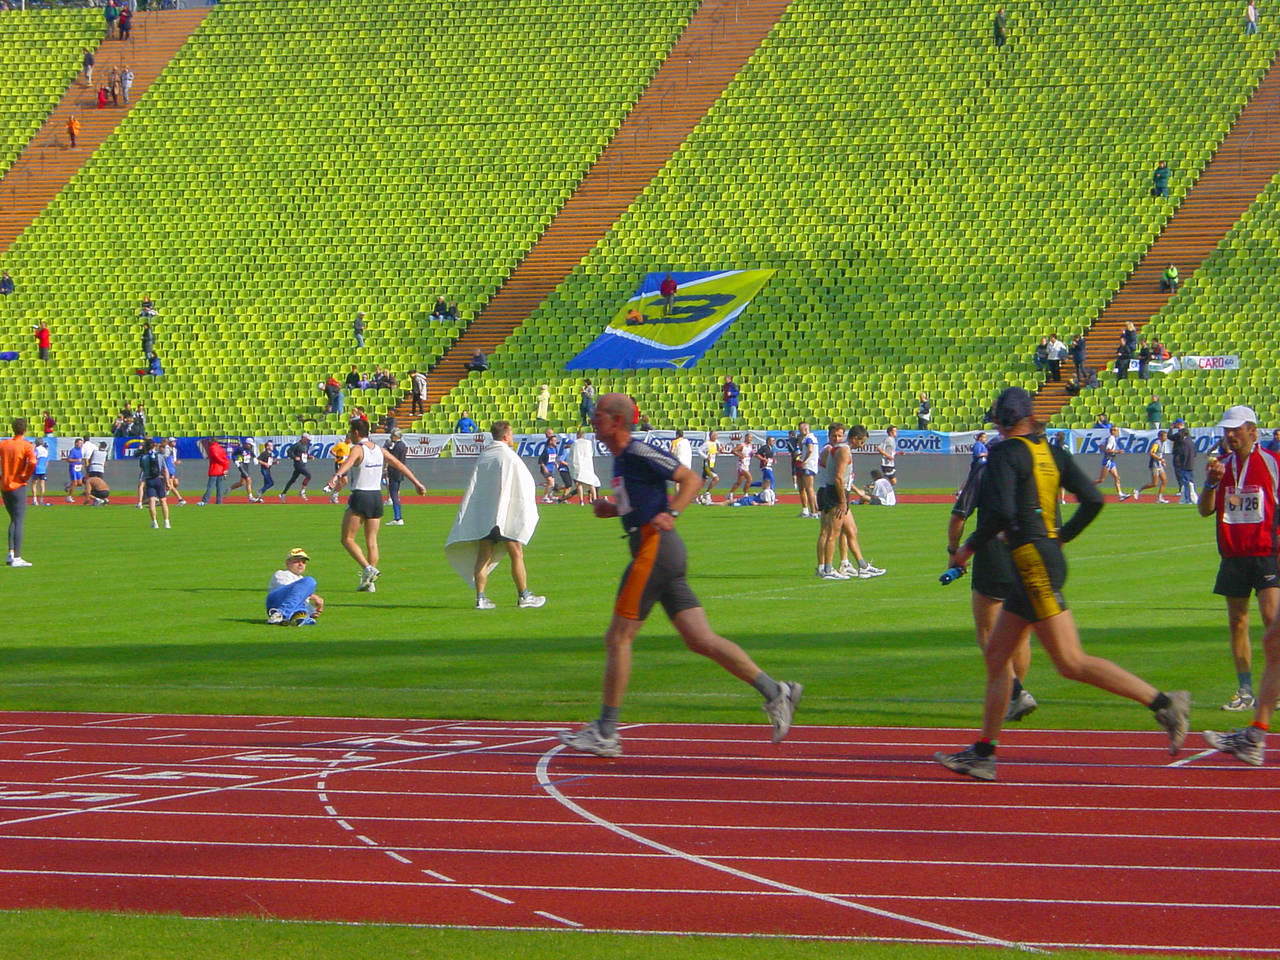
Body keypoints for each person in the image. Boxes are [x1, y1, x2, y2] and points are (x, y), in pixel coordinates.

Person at [934, 387, 1190, 781]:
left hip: (1032, 564)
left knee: (1070, 662)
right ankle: (983, 752)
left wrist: (965, 550)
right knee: (997, 657)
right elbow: (1093, 500)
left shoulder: (1004, 453)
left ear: (1002, 421)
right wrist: (1061, 537)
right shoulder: (1051, 451)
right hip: (1039, 559)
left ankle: (1165, 702)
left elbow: (998, 512)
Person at [558, 393, 802, 757]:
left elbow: (689, 479)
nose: (592, 420)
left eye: (599, 415)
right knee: (699, 638)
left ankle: (606, 731)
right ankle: (776, 691)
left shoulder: (638, 452)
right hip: (658, 551)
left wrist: (672, 512)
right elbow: (641, 501)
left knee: (618, 638)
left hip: (655, 549)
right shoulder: (622, 459)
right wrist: (615, 509)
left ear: (618, 421)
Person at [947, 422, 1037, 723]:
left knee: (989, 633)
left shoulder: (985, 470)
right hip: (1030, 554)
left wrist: (953, 552)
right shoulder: (1034, 469)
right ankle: (1014, 695)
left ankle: (1014, 691)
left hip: (993, 553)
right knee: (1021, 631)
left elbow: (960, 515)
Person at [1195, 406, 1280, 714]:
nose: (1230, 435)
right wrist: (1211, 483)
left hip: (1266, 553)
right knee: (1237, 622)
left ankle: (1276, 686)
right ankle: (1245, 690)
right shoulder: (1221, 466)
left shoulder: (1273, 463)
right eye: (1226, 430)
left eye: (1236, 429)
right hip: (1233, 555)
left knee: (1273, 622)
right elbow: (1205, 510)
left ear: (1252, 430)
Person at [445, 420, 546, 610]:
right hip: (506, 513)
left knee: (483, 555)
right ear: (506, 435)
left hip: (486, 514)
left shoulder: (485, 456)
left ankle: (480, 598)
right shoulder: (509, 457)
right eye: (512, 434)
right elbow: (524, 484)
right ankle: (523, 595)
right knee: (516, 553)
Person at [329, 420, 426, 593]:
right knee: (371, 541)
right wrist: (417, 483)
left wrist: (336, 476)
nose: (350, 434)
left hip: (361, 495)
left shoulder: (358, 449)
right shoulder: (379, 450)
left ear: (357, 432)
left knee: (347, 539)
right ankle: (369, 583)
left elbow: (348, 463)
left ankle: (368, 568)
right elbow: (400, 465)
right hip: (376, 496)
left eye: (351, 431)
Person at [0, 418, 38, 567]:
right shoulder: (26, 446)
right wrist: (26, 475)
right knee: (19, 520)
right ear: (25, 429)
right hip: (18, 485)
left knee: (13, 519)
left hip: (5, 485)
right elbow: (33, 462)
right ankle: (17, 556)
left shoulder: (4, 444)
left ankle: (11, 552)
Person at [266, 548, 324, 626]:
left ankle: (292, 618)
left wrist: (313, 611)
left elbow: (298, 599)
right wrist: (314, 596)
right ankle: (280, 614)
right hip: (277, 602)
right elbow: (291, 592)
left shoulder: (302, 580)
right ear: (287, 562)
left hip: (293, 606)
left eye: (303, 562)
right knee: (310, 581)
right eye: (297, 561)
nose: (301, 564)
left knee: (308, 618)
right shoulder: (281, 574)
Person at [137, 439, 171, 530]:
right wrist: (167, 482)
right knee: (163, 501)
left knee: (152, 501)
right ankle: (166, 522)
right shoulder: (160, 456)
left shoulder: (143, 457)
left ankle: (154, 522)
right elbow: (165, 470)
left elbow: (143, 469)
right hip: (159, 479)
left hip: (149, 480)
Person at [566, 428, 600, 505]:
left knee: (579, 484)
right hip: (588, 465)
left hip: (579, 465)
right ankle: (594, 500)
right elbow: (590, 453)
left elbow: (573, 454)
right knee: (591, 483)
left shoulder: (575, 443)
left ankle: (581, 501)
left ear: (577, 435)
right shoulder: (588, 443)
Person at [1095, 424, 1129, 501]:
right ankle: (1086, 487)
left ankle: (1120, 495)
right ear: (1113, 431)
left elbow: (1100, 445)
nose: (1118, 432)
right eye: (1116, 430)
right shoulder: (1111, 438)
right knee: (1101, 480)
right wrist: (1118, 451)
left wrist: (1104, 449)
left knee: (1117, 477)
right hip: (1108, 460)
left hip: (1111, 460)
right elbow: (1108, 450)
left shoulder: (1110, 438)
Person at [1134, 430, 1170, 503]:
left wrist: (1162, 461)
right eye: (1164, 436)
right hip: (1154, 465)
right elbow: (1151, 453)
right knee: (1154, 483)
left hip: (1159, 464)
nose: (1166, 438)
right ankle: (1138, 490)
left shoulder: (1163, 443)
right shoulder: (1157, 443)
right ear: (1160, 437)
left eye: (1166, 436)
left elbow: (1160, 454)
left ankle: (1159, 498)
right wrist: (1160, 459)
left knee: (1164, 480)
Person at [383, 429, 409, 525]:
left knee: (394, 495)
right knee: (395, 494)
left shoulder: (398, 446)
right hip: (398, 472)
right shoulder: (402, 445)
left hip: (395, 472)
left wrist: (388, 450)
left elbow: (393, 459)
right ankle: (397, 517)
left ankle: (398, 517)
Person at [796, 421, 820, 518]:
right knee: (808, 489)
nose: (800, 431)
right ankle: (814, 511)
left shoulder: (809, 438)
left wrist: (804, 460)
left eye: (801, 429)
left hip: (809, 465)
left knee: (809, 489)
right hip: (811, 465)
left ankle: (814, 512)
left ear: (806, 429)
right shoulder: (809, 438)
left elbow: (810, 449)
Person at [1170, 419, 1197, 505]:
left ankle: (1187, 499)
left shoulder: (1183, 443)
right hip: (1190, 463)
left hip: (1184, 464)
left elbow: (1170, 437)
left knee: (1186, 482)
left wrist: (1170, 429)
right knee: (1190, 481)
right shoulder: (1190, 442)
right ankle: (1189, 498)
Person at [197, 437, 230, 505]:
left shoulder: (212, 448)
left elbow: (217, 457)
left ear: (212, 441)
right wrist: (225, 467)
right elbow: (225, 458)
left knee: (210, 486)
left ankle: (205, 500)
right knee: (219, 486)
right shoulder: (220, 448)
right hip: (221, 469)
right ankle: (219, 501)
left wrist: (223, 463)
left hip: (214, 469)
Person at [279, 434, 312, 501]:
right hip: (298, 465)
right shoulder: (297, 445)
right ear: (303, 438)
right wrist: (294, 457)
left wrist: (309, 457)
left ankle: (283, 493)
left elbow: (304, 454)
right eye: (307, 439)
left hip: (303, 464)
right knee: (308, 475)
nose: (308, 441)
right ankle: (302, 492)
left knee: (292, 480)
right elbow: (289, 451)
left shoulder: (306, 446)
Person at [228, 438, 262, 503]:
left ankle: (229, 489)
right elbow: (233, 454)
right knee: (249, 480)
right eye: (250, 445)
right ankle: (250, 497)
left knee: (242, 483)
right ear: (246, 444)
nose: (251, 446)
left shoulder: (249, 449)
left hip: (246, 467)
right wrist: (236, 461)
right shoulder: (240, 449)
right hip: (241, 466)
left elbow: (252, 453)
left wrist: (254, 458)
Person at [727, 435, 754, 501]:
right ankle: (745, 494)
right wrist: (740, 455)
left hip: (747, 464)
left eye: (751, 438)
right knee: (749, 479)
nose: (750, 439)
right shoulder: (742, 445)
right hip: (741, 465)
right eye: (749, 437)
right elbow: (733, 451)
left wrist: (752, 454)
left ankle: (730, 493)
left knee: (739, 482)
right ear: (746, 438)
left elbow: (749, 454)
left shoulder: (750, 446)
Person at [697, 429, 719, 505]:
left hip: (711, 464)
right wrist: (706, 457)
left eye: (717, 435)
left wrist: (718, 452)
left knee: (703, 482)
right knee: (716, 478)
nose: (716, 436)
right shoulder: (707, 443)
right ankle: (706, 493)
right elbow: (699, 450)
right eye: (715, 435)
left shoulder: (715, 443)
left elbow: (713, 453)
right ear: (711, 436)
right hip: (707, 465)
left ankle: (694, 495)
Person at [84, 441, 110, 505]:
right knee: (99, 484)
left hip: (93, 467)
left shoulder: (95, 451)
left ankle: (96, 499)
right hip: (100, 468)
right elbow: (105, 463)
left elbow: (90, 459)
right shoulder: (106, 453)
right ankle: (102, 499)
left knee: (91, 483)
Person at [538, 429, 559, 503]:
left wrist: (556, 463)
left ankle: (548, 494)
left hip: (551, 469)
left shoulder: (555, 449)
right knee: (550, 482)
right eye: (554, 441)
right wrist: (544, 468)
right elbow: (540, 460)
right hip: (545, 469)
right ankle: (545, 497)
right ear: (550, 441)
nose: (556, 442)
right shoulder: (546, 450)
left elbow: (553, 458)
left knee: (552, 484)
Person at [757, 437, 777, 505]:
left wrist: (773, 460)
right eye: (772, 440)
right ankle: (771, 495)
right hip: (765, 466)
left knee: (765, 481)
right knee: (772, 479)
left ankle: (750, 485)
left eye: (774, 440)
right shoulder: (764, 447)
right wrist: (763, 459)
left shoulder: (771, 449)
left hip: (769, 466)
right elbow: (757, 455)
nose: (774, 442)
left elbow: (770, 458)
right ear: (768, 441)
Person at [64, 437, 85, 503]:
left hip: (78, 468)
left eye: (82, 443)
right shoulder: (73, 450)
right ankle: (69, 497)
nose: (81, 444)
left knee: (80, 483)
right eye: (80, 443)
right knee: (75, 483)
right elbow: (68, 459)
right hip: (73, 468)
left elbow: (80, 459)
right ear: (76, 443)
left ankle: (69, 485)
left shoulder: (81, 450)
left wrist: (81, 464)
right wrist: (76, 460)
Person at [29, 440, 49, 507]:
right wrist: (45, 468)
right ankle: (41, 500)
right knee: (42, 484)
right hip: (43, 469)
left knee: (34, 484)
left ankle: (35, 500)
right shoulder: (45, 450)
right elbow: (47, 461)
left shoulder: (36, 449)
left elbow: (33, 458)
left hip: (36, 468)